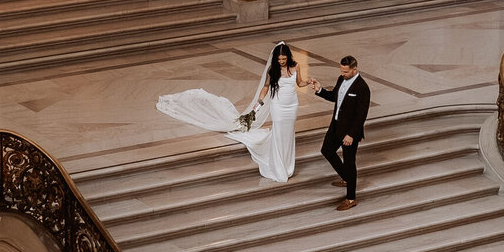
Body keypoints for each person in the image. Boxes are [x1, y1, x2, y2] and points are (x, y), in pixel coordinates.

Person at [156, 41, 307, 184]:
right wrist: (257, 105)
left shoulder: (296, 67)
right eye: (279, 59)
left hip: (292, 106)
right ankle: (279, 166)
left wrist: (309, 82)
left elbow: (299, 83)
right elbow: (265, 88)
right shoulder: (272, 70)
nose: (281, 61)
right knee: (279, 131)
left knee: (288, 133)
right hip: (278, 107)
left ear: (288, 56)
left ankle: (287, 164)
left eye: (284, 58)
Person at [311, 55, 370, 210]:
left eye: (345, 71)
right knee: (326, 150)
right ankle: (347, 177)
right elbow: (334, 96)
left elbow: (361, 116)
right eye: (341, 70)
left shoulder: (362, 87)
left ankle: (351, 198)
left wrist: (351, 134)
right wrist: (320, 90)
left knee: (349, 162)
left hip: (350, 132)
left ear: (354, 69)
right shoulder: (340, 79)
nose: (343, 73)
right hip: (336, 125)